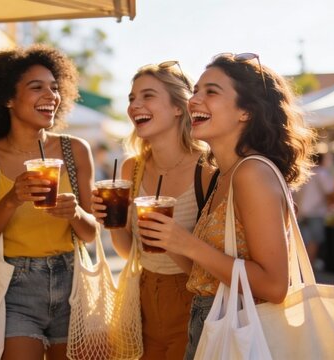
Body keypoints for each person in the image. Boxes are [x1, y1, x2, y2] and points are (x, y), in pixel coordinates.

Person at [132, 53, 315, 359]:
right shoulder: (223, 174)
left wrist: (187, 243)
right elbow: (205, 275)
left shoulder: (252, 173)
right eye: (196, 91)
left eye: (211, 92)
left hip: (242, 335)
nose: (194, 100)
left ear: (245, 111)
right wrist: (170, 242)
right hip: (210, 328)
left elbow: (274, 285)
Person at [0, 44, 99, 360]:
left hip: (72, 284)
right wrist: (11, 200)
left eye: (54, 87)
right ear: (7, 98)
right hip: (13, 287)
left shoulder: (75, 150)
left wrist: (75, 212)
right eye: (36, 87)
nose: (51, 95)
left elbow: (90, 234)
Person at [91, 61, 218, 359]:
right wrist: (113, 222)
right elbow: (130, 251)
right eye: (132, 98)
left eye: (147, 96)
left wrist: (170, 240)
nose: (135, 105)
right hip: (143, 295)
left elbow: (212, 270)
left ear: (178, 107)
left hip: (192, 298)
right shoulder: (131, 168)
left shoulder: (208, 169)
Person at [295, 153, 334, 267]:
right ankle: (308, 270)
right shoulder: (322, 173)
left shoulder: (304, 172)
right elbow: (330, 192)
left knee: (304, 241)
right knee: (314, 241)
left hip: (301, 211)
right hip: (315, 212)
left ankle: (302, 269)